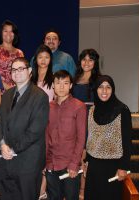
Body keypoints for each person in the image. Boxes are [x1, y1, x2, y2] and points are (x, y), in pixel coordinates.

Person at [0, 57, 49, 200]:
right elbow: (0, 122)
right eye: (14, 69)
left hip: (28, 161)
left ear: (30, 71)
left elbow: (35, 130)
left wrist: (13, 149)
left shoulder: (40, 96)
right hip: (6, 159)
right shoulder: (7, 94)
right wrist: (2, 145)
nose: (17, 72)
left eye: (21, 69)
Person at [84, 75, 132, 200]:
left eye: (108, 87)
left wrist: (123, 167)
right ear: (96, 90)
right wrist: (86, 161)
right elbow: (91, 138)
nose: (104, 91)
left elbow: (127, 142)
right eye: (100, 87)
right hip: (94, 166)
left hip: (113, 167)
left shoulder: (122, 110)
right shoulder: (92, 110)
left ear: (113, 89)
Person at [45, 70, 86, 200]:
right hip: (51, 163)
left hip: (70, 164)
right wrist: (44, 162)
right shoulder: (47, 107)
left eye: (65, 83)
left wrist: (74, 163)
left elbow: (81, 138)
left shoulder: (79, 106)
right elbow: (45, 136)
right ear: (53, 85)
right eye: (58, 83)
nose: (61, 87)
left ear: (71, 85)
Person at [72, 48, 101, 199]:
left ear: (95, 63)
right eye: (84, 59)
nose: (87, 62)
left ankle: (84, 190)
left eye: (90, 60)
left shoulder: (99, 80)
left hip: (91, 121)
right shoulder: (74, 78)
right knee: (76, 153)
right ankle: (74, 188)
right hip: (75, 119)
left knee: (86, 156)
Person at [30, 44, 54, 199]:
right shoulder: (30, 77)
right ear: (36, 59)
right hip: (31, 124)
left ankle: (42, 191)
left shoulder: (54, 78)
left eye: (46, 57)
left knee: (46, 157)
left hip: (48, 123)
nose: (43, 60)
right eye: (40, 57)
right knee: (33, 157)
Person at [0, 20, 24, 90]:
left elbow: (23, 74)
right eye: (5, 31)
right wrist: (8, 88)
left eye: (11, 31)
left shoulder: (20, 53)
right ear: (1, 33)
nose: (8, 33)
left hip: (17, 91)